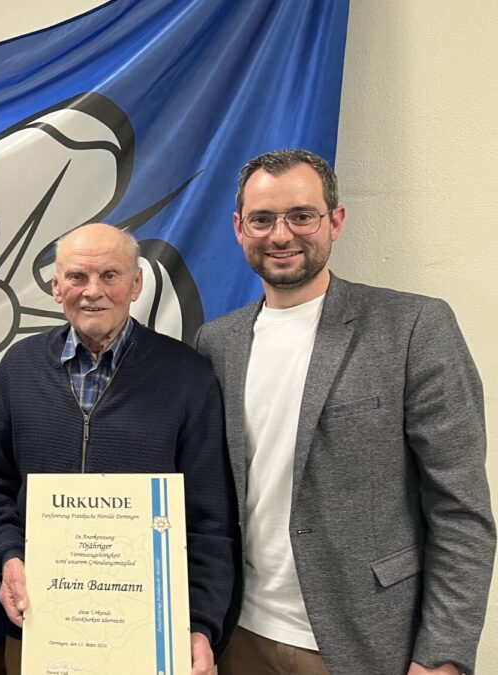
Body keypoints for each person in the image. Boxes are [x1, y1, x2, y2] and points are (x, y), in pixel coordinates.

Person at [195, 149, 494, 675]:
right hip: (240, 635)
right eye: (262, 219)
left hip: (367, 641)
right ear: (239, 229)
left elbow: (461, 509)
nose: (281, 235)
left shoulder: (413, 327)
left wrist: (442, 655)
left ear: (335, 221)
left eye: (301, 215)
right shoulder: (217, 342)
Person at [0, 223, 237, 675]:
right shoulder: (19, 369)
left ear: (135, 284)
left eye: (110, 275)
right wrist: (7, 555)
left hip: (151, 639)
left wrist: (199, 625)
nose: (92, 291)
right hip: (41, 627)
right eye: (77, 277)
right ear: (56, 287)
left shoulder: (187, 376)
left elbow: (209, 519)